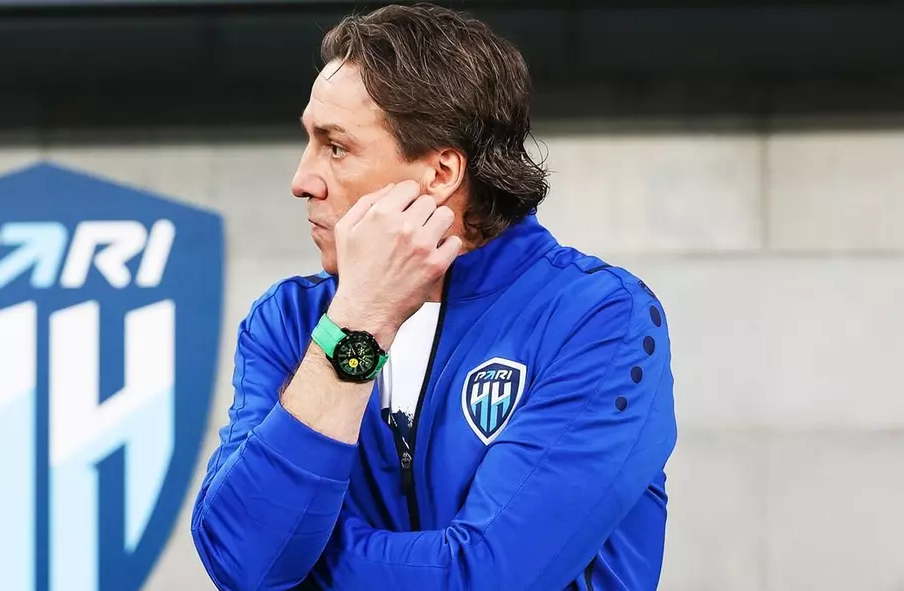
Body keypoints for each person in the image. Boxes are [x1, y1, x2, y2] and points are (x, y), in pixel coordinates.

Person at [190, 3, 677, 590]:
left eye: (335, 147)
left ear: (441, 173)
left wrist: (304, 567)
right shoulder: (291, 321)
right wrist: (356, 325)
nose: (302, 180)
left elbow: (486, 576)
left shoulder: (599, 318)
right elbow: (242, 560)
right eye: (308, 142)